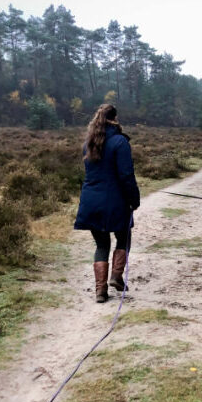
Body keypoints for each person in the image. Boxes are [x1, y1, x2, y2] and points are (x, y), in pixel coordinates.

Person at [74, 104, 140, 302]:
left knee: (102, 243)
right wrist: (134, 200)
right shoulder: (120, 142)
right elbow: (126, 175)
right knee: (124, 237)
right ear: (115, 118)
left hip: (91, 201)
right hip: (115, 201)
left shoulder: (89, 143)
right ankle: (116, 276)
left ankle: (100, 291)